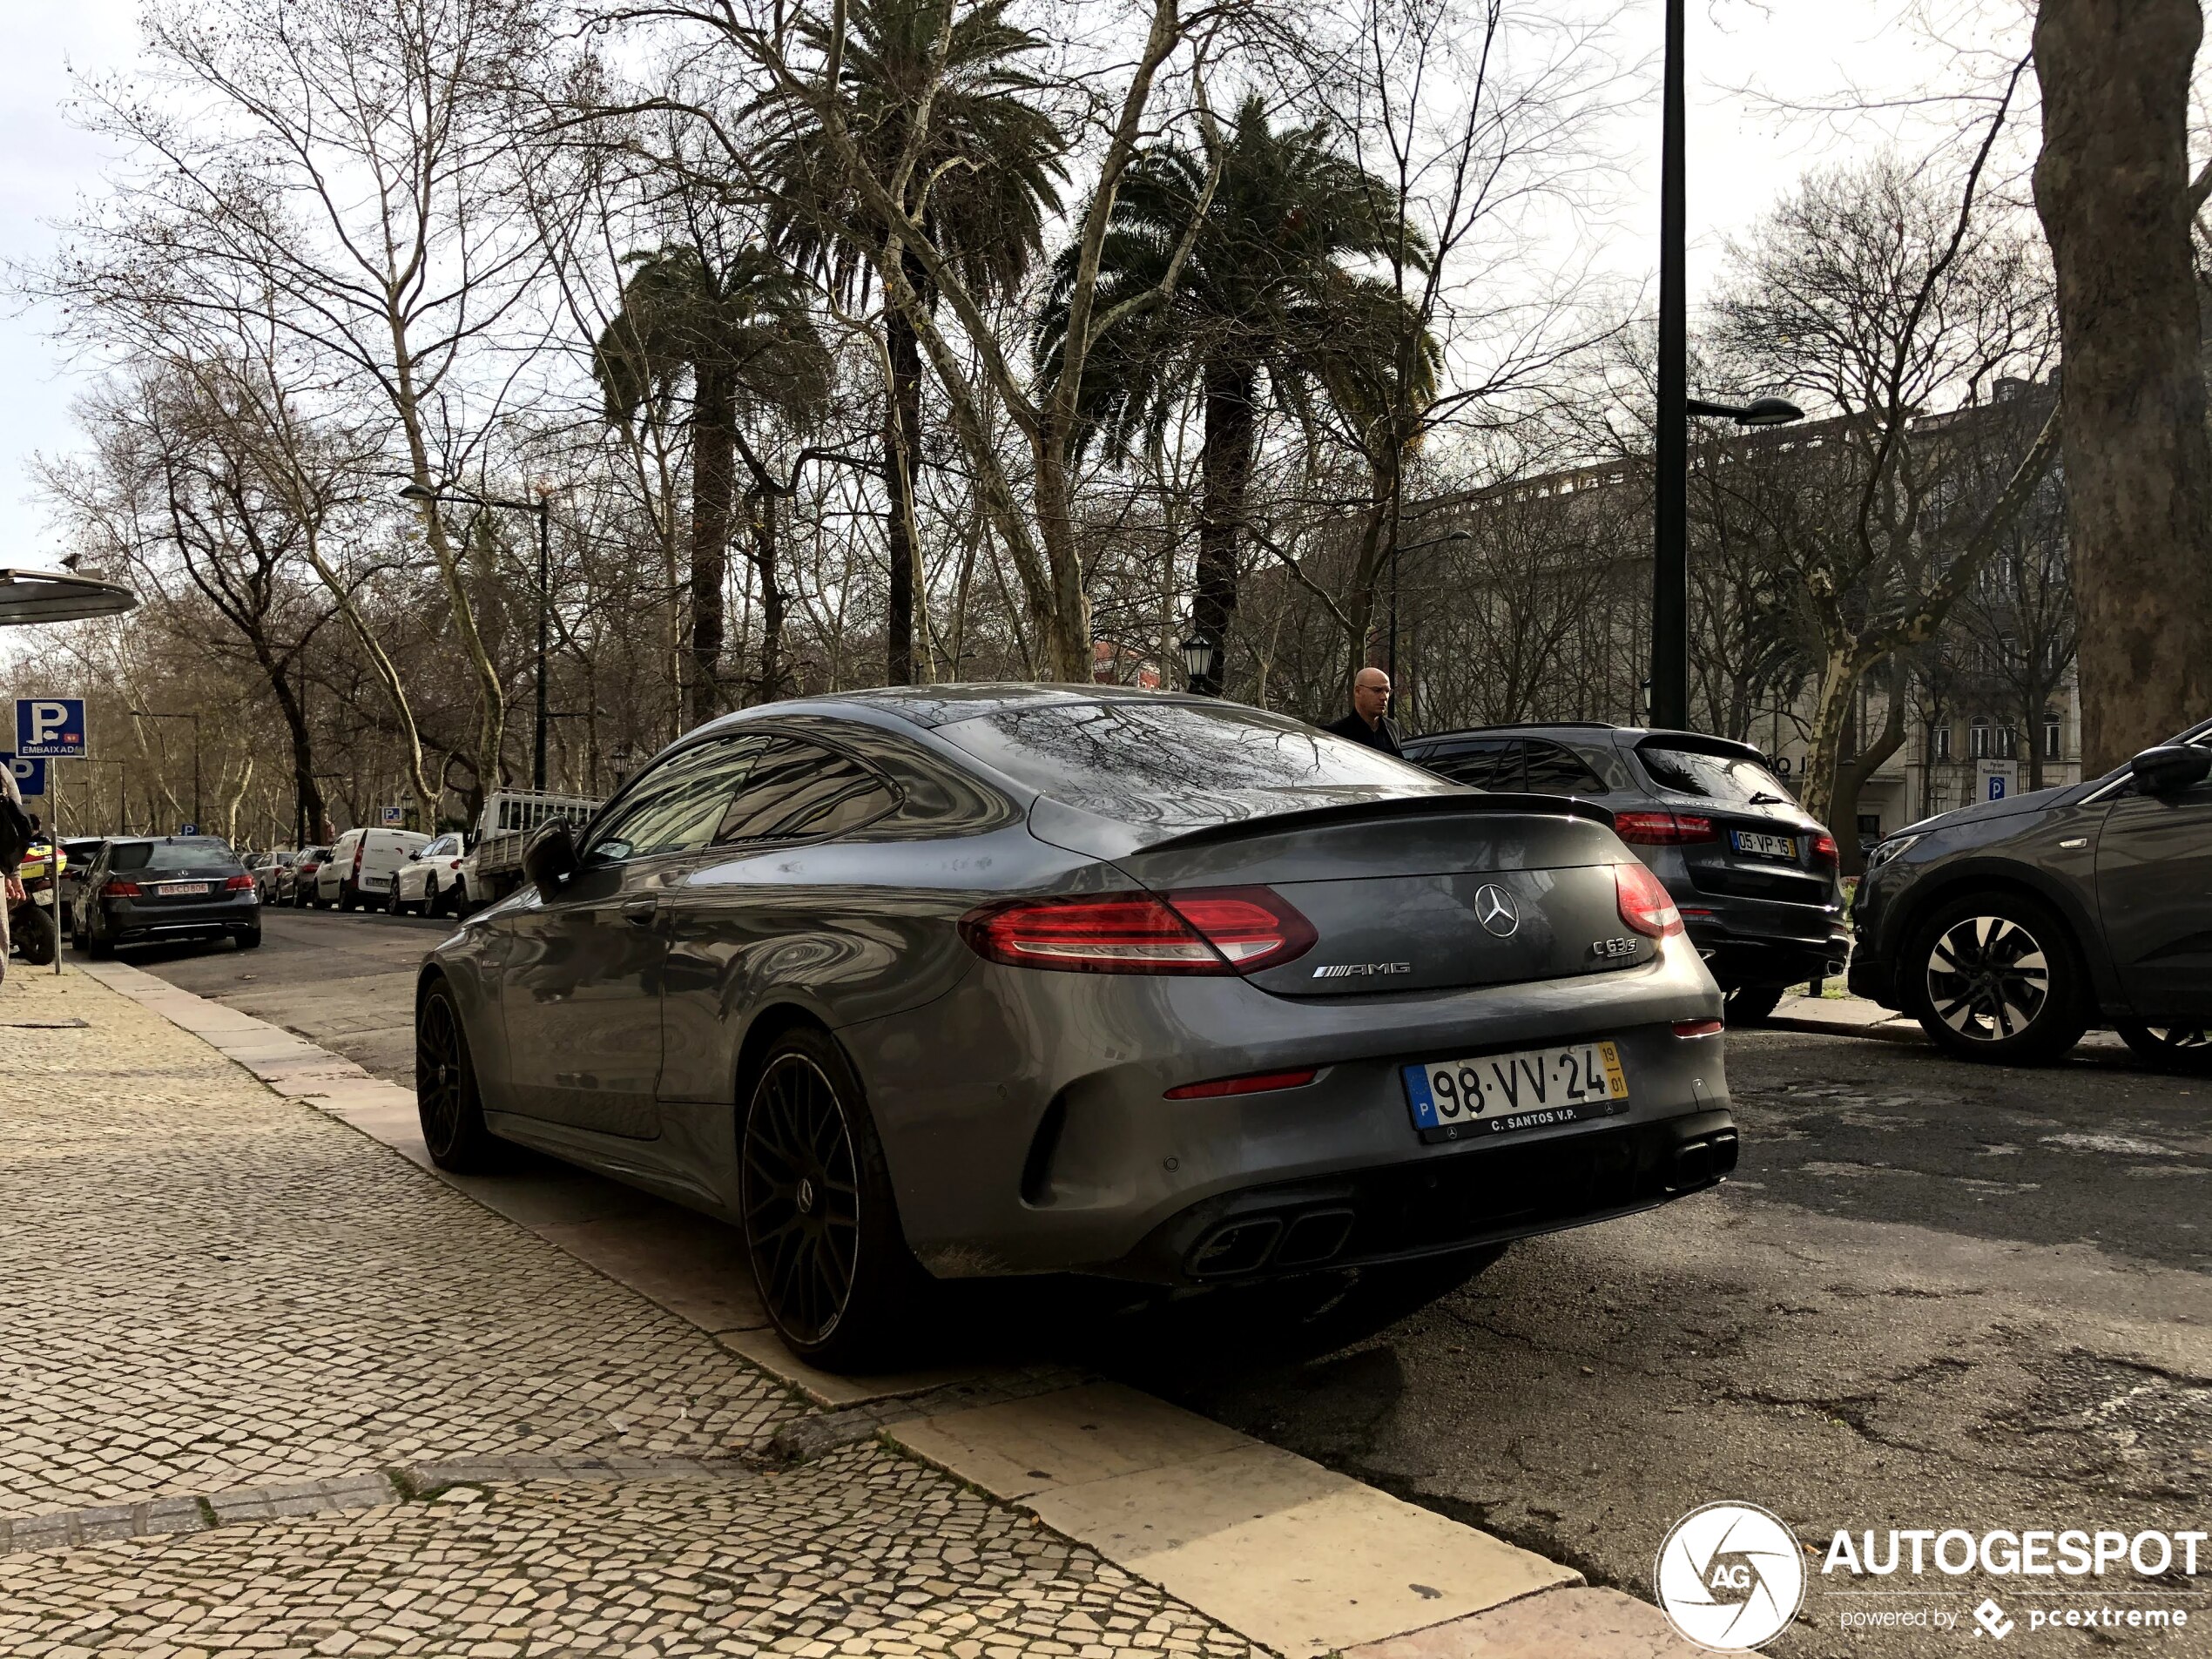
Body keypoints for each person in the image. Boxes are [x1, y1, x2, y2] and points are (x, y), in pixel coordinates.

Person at [1324, 666, 1403, 756]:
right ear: (1358, 691)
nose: (1384, 697)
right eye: (1377, 690)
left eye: (1387, 691)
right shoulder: (1334, 733)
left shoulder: (1393, 727)